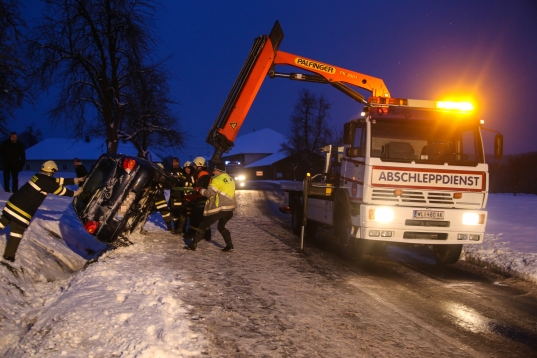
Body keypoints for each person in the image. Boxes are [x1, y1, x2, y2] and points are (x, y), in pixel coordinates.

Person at [0, 160, 85, 262]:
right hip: (20, 211)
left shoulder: (39, 177)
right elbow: (59, 190)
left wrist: (75, 180)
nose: (54, 174)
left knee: (2, 222)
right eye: (54, 172)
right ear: (52, 171)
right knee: (16, 232)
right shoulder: (45, 182)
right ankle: (8, 256)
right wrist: (75, 193)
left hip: (11, 205)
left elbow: (56, 181)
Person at [184, 162, 236, 252]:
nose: (213, 172)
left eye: (215, 170)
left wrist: (199, 189)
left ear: (219, 171)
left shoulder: (216, 180)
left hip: (220, 208)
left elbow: (209, 193)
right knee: (221, 227)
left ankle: (193, 244)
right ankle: (229, 245)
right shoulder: (230, 179)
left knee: (203, 225)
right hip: (230, 209)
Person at [139, 163, 173, 235]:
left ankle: (169, 226)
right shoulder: (150, 175)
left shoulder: (163, 177)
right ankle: (140, 227)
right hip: (149, 196)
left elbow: (166, 185)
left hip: (159, 196)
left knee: (165, 211)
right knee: (144, 212)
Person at [186, 156, 212, 240]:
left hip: (203, 199)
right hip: (201, 198)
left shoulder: (204, 176)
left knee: (196, 216)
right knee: (200, 217)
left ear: (199, 166)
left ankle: (192, 233)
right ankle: (206, 235)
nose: (193, 167)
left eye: (195, 165)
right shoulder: (201, 175)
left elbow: (200, 187)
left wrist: (195, 191)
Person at [171, 160, 195, 235]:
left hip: (193, 199)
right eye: (186, 168)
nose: (188, 170)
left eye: (189, 168)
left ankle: (191, 232)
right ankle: (181, 229)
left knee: (191, 216)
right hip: (185, 198)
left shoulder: (194, 176)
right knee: (183, 215)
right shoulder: (183, 177)